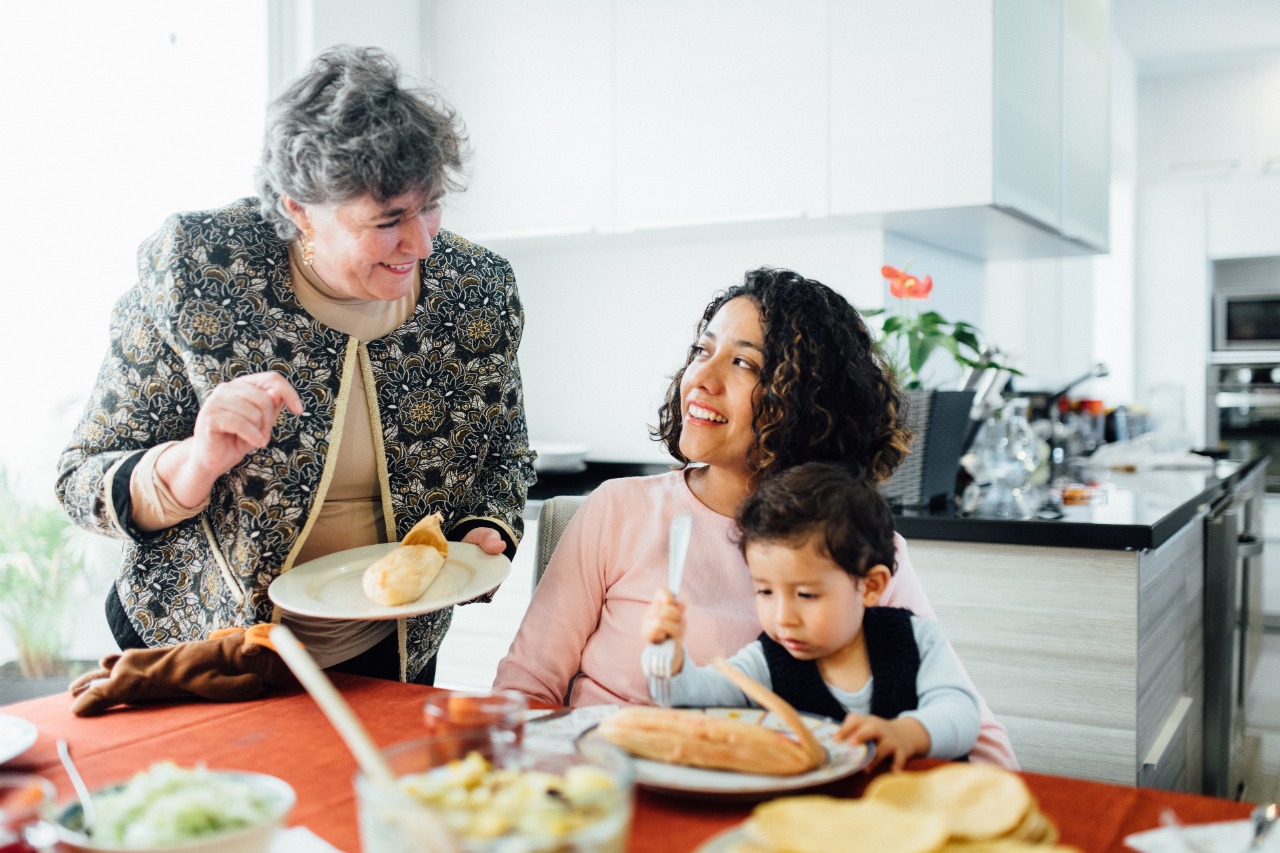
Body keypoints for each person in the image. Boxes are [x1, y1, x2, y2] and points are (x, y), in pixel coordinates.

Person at [55, 46, 534, 685]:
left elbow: (506, 452)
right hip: (205, 653)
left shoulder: (476, 289)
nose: (421, 243)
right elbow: (81, 480)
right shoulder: (199, 269)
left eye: (432, 206)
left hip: (388, 659)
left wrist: (483, 531)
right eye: (389, 220)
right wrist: (194, 463)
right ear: (298, 208)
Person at [495, 266, 1018, 768]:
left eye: (744, 363)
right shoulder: (617, 510)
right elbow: (524, 691)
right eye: (702, 350)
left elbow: (984, 742)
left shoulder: (859, 545)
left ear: (808, 400)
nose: (701, 377)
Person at [641, 462, 980, 771]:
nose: (783, 617)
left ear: (871, 586)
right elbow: (692, 696)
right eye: (765, 592)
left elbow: (962, 715)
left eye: (806, 595)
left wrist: (908, 732)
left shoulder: (916, 639)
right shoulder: (767, 661)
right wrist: (668, 655)